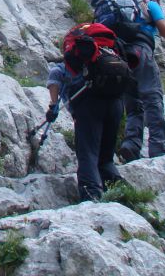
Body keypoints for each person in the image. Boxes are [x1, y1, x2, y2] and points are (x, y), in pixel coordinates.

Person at [47, 58, 123, 201]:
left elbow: (54, 100)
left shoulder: (59, 70)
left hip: (88, 107)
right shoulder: (95, 65)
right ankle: (120, 193)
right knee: (106, 158)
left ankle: (91, 194)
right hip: (115, 104)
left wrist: (52, 108)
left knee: (88, 153)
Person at [118, 0, 165, 162]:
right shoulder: (151, 4)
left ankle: (131, 144)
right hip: (141, 52)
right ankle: (159, 145)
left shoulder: (127, 8)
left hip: (121, 55)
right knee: (152, 96)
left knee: (133, 102)